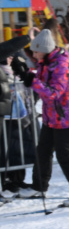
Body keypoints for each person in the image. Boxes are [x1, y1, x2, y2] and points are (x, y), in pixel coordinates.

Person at [15, 29, 69, 206]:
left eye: (36, 52)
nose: (34, 55)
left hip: (66, 117)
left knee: (65, 156)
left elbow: (53, 93)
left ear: (45, 49)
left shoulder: (61, 64)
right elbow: (41, 79)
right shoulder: (46, 61)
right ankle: (39, 186)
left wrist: (30, 79)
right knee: (43, 151)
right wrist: (25, 72)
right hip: (51, 117)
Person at [1, 36, 36, 199]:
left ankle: (18, 180)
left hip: (20, 116)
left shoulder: (14, 70)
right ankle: (8, 182)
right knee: (6, 150)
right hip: (6, 117)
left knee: (19, 150)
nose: (10, 58)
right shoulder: (2, 71)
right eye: (8, 56)